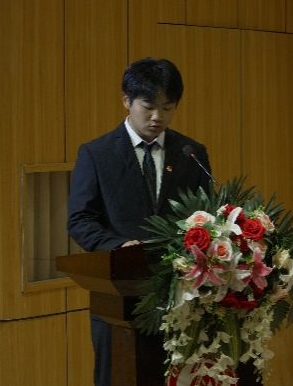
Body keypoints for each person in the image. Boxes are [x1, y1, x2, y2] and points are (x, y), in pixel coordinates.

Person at [67, 57, 212, 386]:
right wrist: (120, 247)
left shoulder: (191, 153)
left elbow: (205, 216)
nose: (157, 117)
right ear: (126, 100)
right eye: (148, 106)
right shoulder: (96, 154)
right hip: (120, 297)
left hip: (182, 298)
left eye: (167, 107)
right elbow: (80, 219)